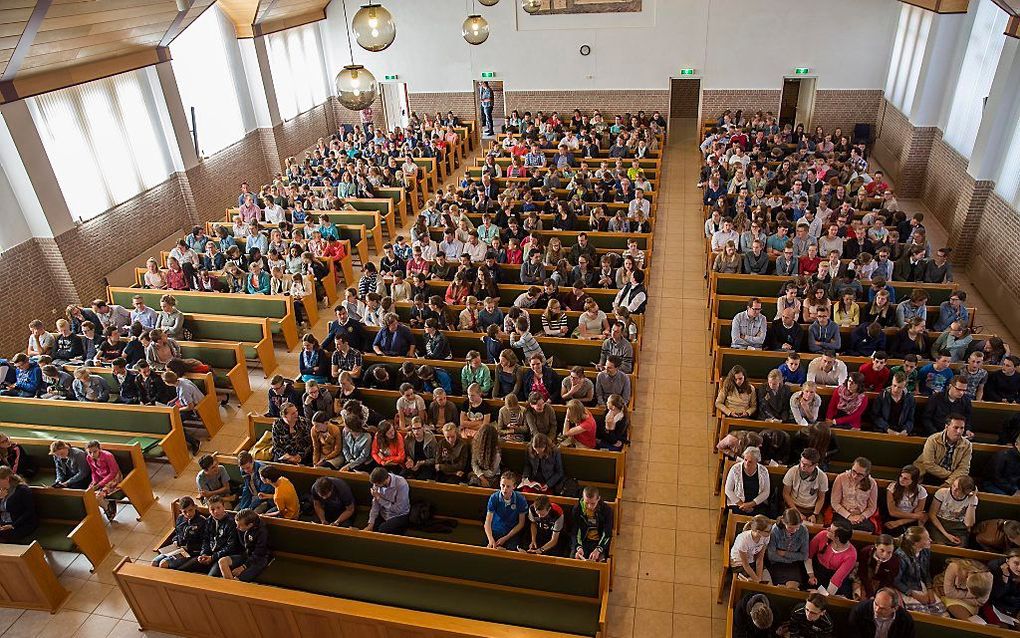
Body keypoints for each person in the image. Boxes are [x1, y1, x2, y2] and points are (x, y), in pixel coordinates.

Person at [894, 526, 947, 615]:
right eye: (926, 539)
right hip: (906, 588)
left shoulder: (925, 551)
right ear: (915, 543)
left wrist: (930, 590)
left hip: (919, 584)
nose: (930, 540)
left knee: (940, 613)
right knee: (924, 614)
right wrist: (915, 595)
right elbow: (896, 581)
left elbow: (926, 572)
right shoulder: (900, 556)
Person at [213, 508, 270, 582]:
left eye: (239, 525)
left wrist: (243, 567)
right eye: (237, 524)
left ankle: (230, 587)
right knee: (222, 561)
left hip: (259, 560)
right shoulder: (240, 528)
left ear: (250, 525)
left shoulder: (262, 532)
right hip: (245, 555)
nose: (237, 527)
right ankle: (229, 585)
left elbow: (259, 553)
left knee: (238, 579)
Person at [914, 414, 972, 485]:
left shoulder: (967, 445)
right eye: (956, 427)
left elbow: (964, 468)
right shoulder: (933, 439)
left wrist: (949, 481)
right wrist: (950, 475)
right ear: (946, 427)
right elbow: (928, 464)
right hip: (928, 473)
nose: (959, 431)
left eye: (962, 428)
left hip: (952, 477)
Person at [152, 496, 207, 571]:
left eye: (190, 510)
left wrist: (188, 547)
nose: (188, 514)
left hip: (190, 551)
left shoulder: (202, 521)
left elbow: (205, 542)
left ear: (195, 507)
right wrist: (175, 541)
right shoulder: (180, 518)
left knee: (163, 564)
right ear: (181, 511)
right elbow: (177, 532)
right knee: (154, 562)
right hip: (177, 548)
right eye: (184, 512)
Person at [830, 457, 879, 533]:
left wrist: (861, 516)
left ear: (866, 474)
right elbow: (835, 503)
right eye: (854, 472)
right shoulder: (841, 478)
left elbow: (872, 507)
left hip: (861, 517)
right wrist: (849, 516)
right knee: (842, 530)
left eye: (860, 474)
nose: (855, 476)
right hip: (843, 514)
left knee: (867, 530)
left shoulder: (872, 483)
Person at [808, 520, 857, 596]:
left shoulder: (851, 555)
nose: (827, 529)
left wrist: (823, 595)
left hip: (832, 577)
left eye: (830, 530)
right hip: (816, 569)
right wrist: (811, 574)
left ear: (837, 538)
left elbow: (836, 579)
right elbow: (809, 555)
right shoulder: (823, 535)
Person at [927, 475, 978, 547]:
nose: (954, 490)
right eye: (953, 486)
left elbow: (968, 523)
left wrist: (972, 502)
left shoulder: (972, 499)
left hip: (958, 527)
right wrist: (947, 535)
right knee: (940, 545)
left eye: (958, 489)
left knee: (960, 546)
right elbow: (932, 515)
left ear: (966, 491)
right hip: (940, 524)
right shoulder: (942, 493)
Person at [483, 471, 527, 551]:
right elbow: (487, 522)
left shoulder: (520, 499)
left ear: (514, 486)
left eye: (508, 486)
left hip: (511, 532)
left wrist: (506, 538)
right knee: (489, 549)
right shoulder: (494, 498)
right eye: (503, 485)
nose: (504, 489)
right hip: (496, 530)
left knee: (511, 551)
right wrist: (490, 539)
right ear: (500, 484)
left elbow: (521, 523)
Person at [767, 508, 810, 589]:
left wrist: (785, 554)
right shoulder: (775, 530)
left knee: (792, 588)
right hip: (776, 563)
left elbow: (804, 555)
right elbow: (771, 555)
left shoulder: (803, 530)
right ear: (783, 522)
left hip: (793, 565)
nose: (794, 531)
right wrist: (790, 559)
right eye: (790, 527)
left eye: (796, 528)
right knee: (779, 588)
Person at [847, 588, 916, 638]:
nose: (876, 610)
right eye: (876, 604)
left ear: (895, 608)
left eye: (882, 608)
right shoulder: (860, 611)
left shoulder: (906, 620)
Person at [782, 448, 827, 523]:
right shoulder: (793, 471)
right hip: (793, 506)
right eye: (802, 462)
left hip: (811, 508)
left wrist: (814, 514)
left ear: (815, 465)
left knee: (819, 526)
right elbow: (785, 494)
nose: (802, 466)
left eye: (806, 465)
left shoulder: (822, 476)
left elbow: (821, 498)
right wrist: (797, 512)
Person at [724, 447, 771, 517]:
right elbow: (728, 490)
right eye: (745, 460)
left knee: (761, 518)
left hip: (756, 504)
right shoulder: (735, 469)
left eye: (750, 461)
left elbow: (766, 492)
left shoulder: (763, 471)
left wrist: (751, 504)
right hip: (738, 504)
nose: (746, 463)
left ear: (756, 461)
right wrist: (742, 505)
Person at [854, 535, 901, 602]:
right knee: (861, 598)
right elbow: (862, 573)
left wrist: (877, 594)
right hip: (865, 578)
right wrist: (870, 593)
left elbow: (888, 581)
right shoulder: (865, 552)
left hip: (881, 583)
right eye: (882, 550)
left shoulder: (895, 561)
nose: (885, 555)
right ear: (876, 546)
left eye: (889, 552)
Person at [571, 486, 612, 562]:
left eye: (593, 503)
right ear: (583, 498)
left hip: (598, 541)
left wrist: (598, 549)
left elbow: (607, 533)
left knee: (600, 563)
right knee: (574, 561)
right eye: (586, 503)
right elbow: (575, 531)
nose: (589, 506)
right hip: (583, 540)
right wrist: (578, 547)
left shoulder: (606, 510)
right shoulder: (577, 509)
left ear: (598, 499)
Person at [364, 467, 410, 534]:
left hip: (400, 515)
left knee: (383, 529)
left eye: (377, 485)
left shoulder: (401, 484)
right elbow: (375, 505)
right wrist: (371, 524)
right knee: (371, 528)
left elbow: (399, 509)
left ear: (385, 480)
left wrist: (379, 499)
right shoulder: (377, 482)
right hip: (384, 512)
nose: (375, 486)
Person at [885, 465, 928, 536]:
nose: (901, 480)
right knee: (893, 531)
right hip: (894, 517)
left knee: (914, 535)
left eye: (906, 478)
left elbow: (918, 512)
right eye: (901, 476)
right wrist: (916, 516)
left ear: (913, 481)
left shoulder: (921, 491)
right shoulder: (892, 488)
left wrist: (900, 522)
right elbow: (892, 512)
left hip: (911, 520)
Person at [85, 440, 122, 520]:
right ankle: (107, 505)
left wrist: (100, 484)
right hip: (100, 478)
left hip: (113, 478)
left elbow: (114, 472)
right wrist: (94, 482)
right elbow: (94, 471)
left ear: (100, 449)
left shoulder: (108, 456)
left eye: (95, 451)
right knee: (88, 494)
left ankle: (108, 508)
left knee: (98, 497)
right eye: (89, 452)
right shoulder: (88, 457)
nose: (92, 454)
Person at [982, 548, 1020, 626]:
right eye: (1016, 563)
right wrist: (1005, 577)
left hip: (1016, 608)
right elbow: (995, 595)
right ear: (1007, 561)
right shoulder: (995, 569)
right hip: (997, 606)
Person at [730, 514, 771, 584]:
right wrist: (756, 580)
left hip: (752, 560)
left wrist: (759, 578)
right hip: (739, 563)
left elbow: (760, 558)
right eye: (768, 531)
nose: (770, 532)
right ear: (758, 531)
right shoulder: (743, 540)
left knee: (768, 582)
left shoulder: (766, 537)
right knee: (751, 584)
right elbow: (745, 564)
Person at [0, 466, 37, 542]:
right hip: (4, 522)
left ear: (7, 478)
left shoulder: (22, 490)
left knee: (4, 535)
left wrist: (13, 525)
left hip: (21, 523)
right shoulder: (1, 490)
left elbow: (30, 511)